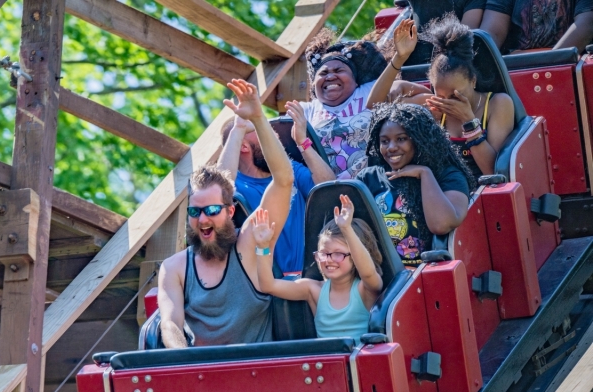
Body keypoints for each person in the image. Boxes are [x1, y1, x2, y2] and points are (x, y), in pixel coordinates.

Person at [157, 79, 294, 348]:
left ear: (231, 211)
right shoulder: (175, 268)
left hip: (256, 368)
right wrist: (183, 359)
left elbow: (283, 180)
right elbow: (170, 324)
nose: (203, 219)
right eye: (195, 211)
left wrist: (257, 118)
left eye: (211, 210)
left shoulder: (249, 245)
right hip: (200, 370)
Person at [367, 15, 514, 178]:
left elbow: (494, 172)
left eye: (456, 95)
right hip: (446, 188)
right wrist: (399, 58)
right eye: (441, 96)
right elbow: (374, 106)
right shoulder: (435, 107)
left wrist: (469, 122)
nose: (448, 102)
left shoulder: (497, 104)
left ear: (473, 81)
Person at [218, 101, 335, 274]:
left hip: (309, 276)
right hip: (264, 280)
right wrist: (238, 128)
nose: (273, 135)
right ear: (243, 146)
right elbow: (218, 190)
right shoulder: (236, 186)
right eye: (260, 130)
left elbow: (330, 188)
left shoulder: (291, 168)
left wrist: (303, 143)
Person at [251, 196, 384, 341]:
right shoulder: (314, 290)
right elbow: (268, 285)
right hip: (327, 356)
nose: (328, 259)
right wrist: (262, 247)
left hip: (361, 355)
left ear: (354, 256)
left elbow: (368, 273)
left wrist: (346, 229)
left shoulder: (365, 290)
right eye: (323, 253)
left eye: (338, 254)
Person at [362, 103, 475, 267]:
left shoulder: (449, 175)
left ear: (420, 139)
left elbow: (441, 225)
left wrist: (424, 174)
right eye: (384, 141)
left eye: (401, 139)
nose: (391, 147)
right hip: (382, 275)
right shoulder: (368, 178)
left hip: (427, 273)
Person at [302, 32, 389, 180]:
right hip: (327, 186)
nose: (330, 76)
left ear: (355, 81)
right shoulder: (307, 110)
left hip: (374, 182)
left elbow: (402, 87)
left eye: (339, 70)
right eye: (323, 73)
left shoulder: (368, 91)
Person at [480, 0, 593, 51]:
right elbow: (491, 33)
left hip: (570, 68)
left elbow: (586, 24)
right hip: (515, 70)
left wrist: (550, 63)